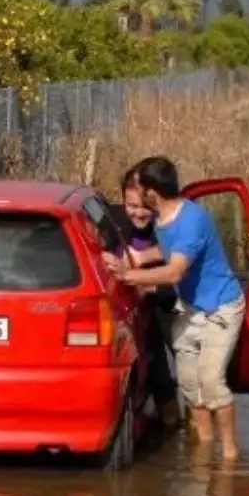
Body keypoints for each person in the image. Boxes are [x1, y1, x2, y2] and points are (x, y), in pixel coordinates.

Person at [106, 155, 246, 461]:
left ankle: (231, 455)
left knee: (211, 381)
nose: (137, 196)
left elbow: (174, 272)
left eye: (141, 188)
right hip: (191, 307)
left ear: (152, 192)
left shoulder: (192, 220)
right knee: (189, 381)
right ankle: (205, 450)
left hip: (221, 308)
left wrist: (129, 275)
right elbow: (168, 250)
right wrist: (139, 258)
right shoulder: (161, 217)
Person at [106, 166, 181, 430]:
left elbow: (180, 258)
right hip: (132, 313)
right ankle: (166, 425)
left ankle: (193, 437)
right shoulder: (111, 220)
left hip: (165, 305)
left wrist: (144, 272)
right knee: (154, 370)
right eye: (131, 205)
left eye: (145, 206)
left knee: (187, 370)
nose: (139, 212)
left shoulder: (170, 224)